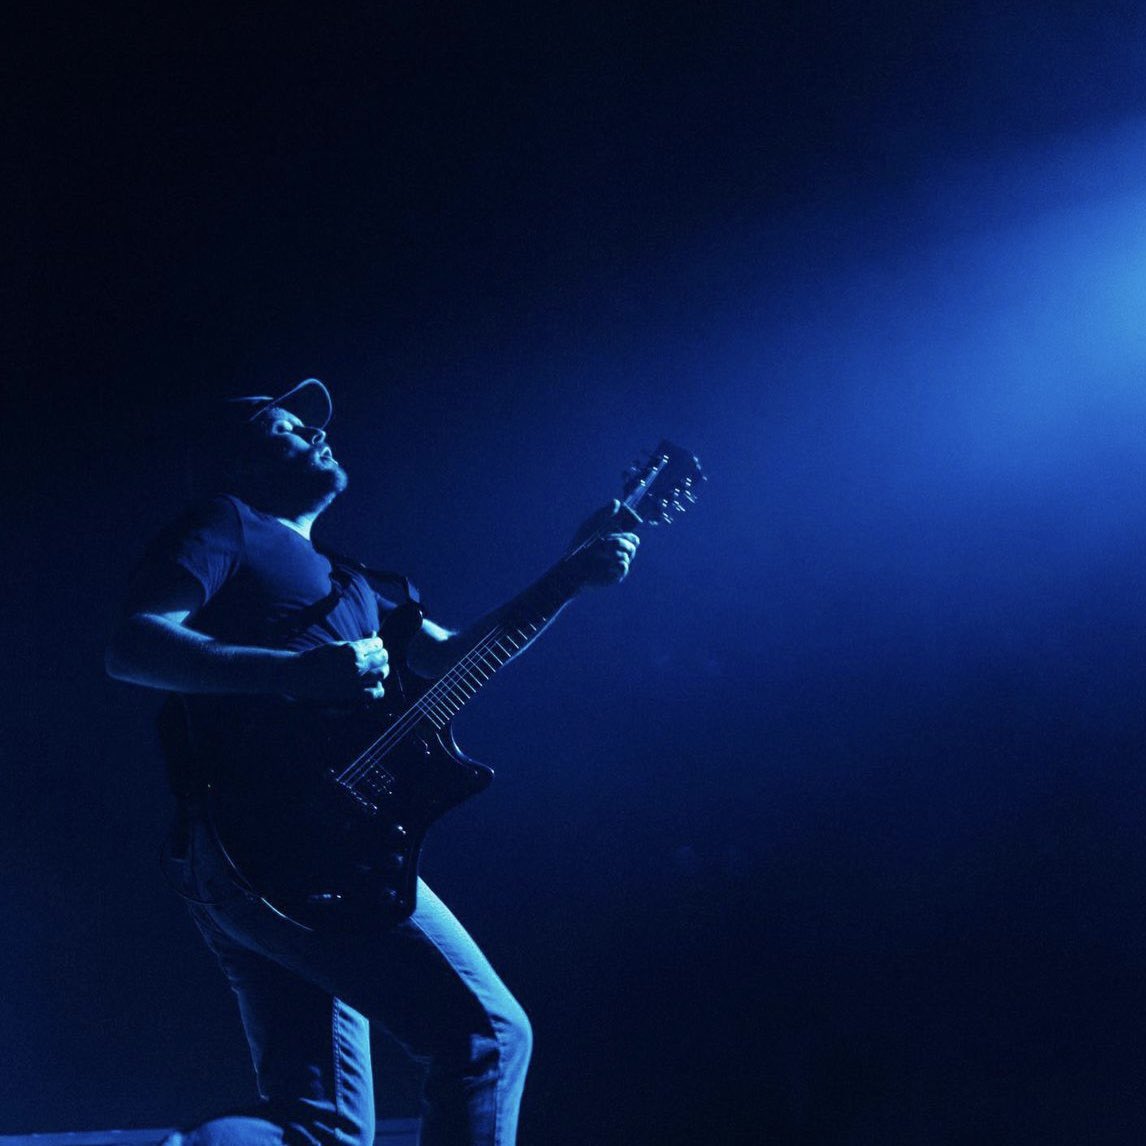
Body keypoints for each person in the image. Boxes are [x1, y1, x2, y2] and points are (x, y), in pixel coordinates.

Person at [105, 378, 639, 1146]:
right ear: (239, 462)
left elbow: (457, 660)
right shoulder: (227, 524)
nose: (316, 433)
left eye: (309, 425)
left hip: (282, 857)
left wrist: (569, 573)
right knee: (487, 1037)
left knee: (318, 1127)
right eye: (285, 428)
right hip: (285, 844)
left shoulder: (362, 583)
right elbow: (133, 644)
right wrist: (286, 674)